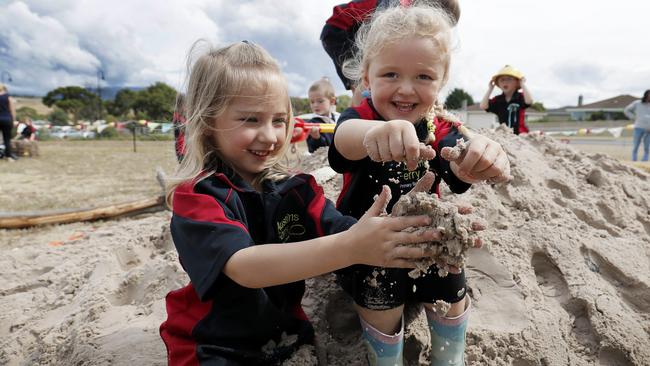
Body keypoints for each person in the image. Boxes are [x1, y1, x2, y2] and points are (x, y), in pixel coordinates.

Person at [158, 40, 443, 366]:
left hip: (288, 335)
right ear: (208, 123)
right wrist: (351, 246)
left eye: (279, 120)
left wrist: (409, 226)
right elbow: (244, 267)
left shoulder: (295, 188)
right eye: (250, 120)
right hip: (214, 343)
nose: (269, 135)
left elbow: (342, 229)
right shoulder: (197, 197)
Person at [328, 4, 511, 365]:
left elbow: (455, 163)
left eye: (424, 77)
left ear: (441, 82)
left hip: (426, 239)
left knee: (450, 266)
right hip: (367, 241)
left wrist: (476, 161)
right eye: (391, 74)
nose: (406, 90)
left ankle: (449, 354)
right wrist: (377, 133)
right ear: (366, 77)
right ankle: (386, 356)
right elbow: (342, 141)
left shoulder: (439, 126)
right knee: (378, 284)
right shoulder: (361, 118)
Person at [320, 0, 460, 107]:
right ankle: (354, 118)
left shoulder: (407, 12)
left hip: (356, 27)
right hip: (339, 30)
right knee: (365, 80)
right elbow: (380, 37)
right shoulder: (396, 8)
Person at [479, 65, 533, 135]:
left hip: (520, 134)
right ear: (498, 83)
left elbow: (529, 101)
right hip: (505, 134)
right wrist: (490, 89)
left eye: (509, 79)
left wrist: (522, 84)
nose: (505, 82)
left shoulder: (520, 96)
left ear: (517, 82)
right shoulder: (498, 100)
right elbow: (483, 106)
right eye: (502, 80)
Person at [305, 77, 339, 153]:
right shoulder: (312, 124)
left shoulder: (336, 119)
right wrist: (316, 138)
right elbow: (312, 150)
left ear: (332, 101)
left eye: (320, 101)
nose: (315, 105)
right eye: (312, 102)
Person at [623, 90, 650, 162]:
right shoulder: (637, 103)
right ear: (646, 95)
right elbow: (626, 110)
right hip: (639, 127)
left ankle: (645, 160)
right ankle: (634, 159)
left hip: (649, 129)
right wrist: (633, 117)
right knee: (636, 145)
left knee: (647, 147)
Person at [0, 83, 17, 161]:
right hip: (6, 119)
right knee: (7, 139)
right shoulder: (8, 97)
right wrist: (14, 120)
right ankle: (8, 156)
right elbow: (12, 110)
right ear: (4, 89)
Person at [172, 93, 186, 162]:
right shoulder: (177, 117)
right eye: (185, 104)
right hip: (181, 150)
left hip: (186, 149)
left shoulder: (184, 116)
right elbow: (180, 132)